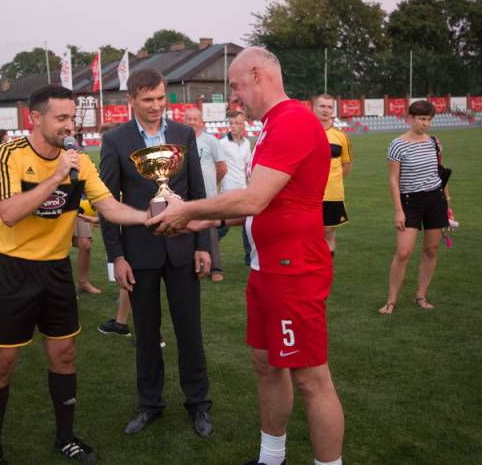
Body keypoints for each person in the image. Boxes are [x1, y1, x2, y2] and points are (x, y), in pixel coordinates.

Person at [147, 48, 344, 465]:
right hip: (266, 267)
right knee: (266, 364)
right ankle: (271, 458)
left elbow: (255, 198)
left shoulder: (292, 121)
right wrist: (208, 221)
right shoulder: (272, 125)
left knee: (311, 378)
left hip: (294, 270)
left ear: (257, 75)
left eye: (236, 86)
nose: (234, 98)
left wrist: (187, 210)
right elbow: (268, 204)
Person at [0, 84, 150, 464]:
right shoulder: (9, 153)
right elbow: (9, 213)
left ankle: (65, 438)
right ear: (35, 118)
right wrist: (56, 177)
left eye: (72, 117)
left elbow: (108, 206)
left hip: (56, 269)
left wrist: (148, 218)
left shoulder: (80, 162)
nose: (69, 125)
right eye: (61, 118)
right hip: (13, 267)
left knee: (65, 355)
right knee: (2, 362)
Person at [98, 68, 214, 438]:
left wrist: (203, 245)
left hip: (182, 249)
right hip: (139, 252)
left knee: (190, 332)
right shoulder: (115, 140)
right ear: (130, 99)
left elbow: (197, 193)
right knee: (146, 335)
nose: (156, 105)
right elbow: (106, 203)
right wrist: (116, 257)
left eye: (161, 98)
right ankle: (150, 405)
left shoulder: (182, 134)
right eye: (148, 99)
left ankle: (199, 404)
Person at [379, 100, 449, 314]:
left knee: (431, 250)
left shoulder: (434, 142)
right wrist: (398, 210)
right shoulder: (397, 144)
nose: (425, 123)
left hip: (435, 200)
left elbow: (440, 172)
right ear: (409, 118)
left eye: (429, 119)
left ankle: (421, 296)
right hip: (409, 202)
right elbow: (393, 180)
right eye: (421, 119)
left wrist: (447, 201)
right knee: (403, 252)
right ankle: (391, 300)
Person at [183, 106, 227, 282]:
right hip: (186, 195)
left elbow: (222, 168)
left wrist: (210, 185)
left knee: (210, 230)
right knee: (188, 229)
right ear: (183, 121)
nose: (192, 122)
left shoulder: (210, 141)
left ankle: (216, 268)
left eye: (195, 119)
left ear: (201, 122)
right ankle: (192, 265)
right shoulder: (179, 141)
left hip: (207, 194)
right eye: (188, 119)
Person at [313, 94, 352, 256]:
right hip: (308, 194)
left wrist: (332, 180)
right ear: (314, 107)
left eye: (329, 107)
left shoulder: (341, 136)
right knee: (308, 234)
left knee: (328, 233)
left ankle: (326, 267)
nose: (325, 110)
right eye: (322, 106)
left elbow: (346, 164)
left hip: (332, 194)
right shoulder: (304, 132)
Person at [218, 108, 252, 265]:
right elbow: (218, 167)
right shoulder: (222, 144)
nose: (233, 126)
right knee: (223, 226)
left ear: (243, 125)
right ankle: (207, 250)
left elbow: (246, 167)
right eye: (231, 123)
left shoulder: (247, 144)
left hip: (243, 190)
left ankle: (249, 257)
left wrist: (250, 187)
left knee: (247, 225)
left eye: (237, 123)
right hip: (228, 191)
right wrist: (218, 189)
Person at [73, 199, 101, 294]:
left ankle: (83, 282)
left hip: (78, 210)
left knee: (86, 245)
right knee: (59, 247)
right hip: (55, 208)